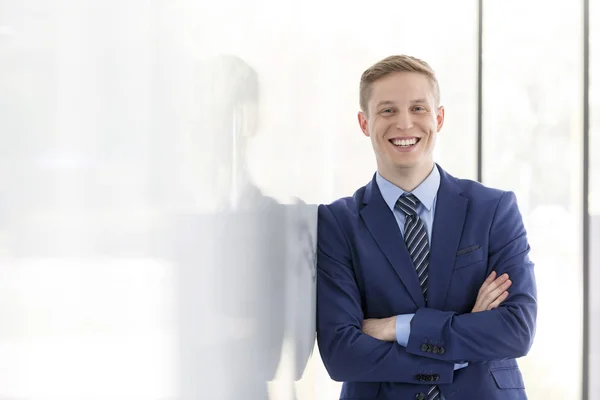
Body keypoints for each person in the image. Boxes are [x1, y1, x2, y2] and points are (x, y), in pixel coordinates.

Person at [316, 55, 537, 400]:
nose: (405, 123)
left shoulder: (493, 209)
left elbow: (515, 330)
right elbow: (341, 352)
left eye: (418, 108)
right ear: (364, 122)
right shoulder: (338, 223)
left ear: (439, 117)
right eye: (388, 110)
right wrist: (462, 340)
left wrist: (396, 327)